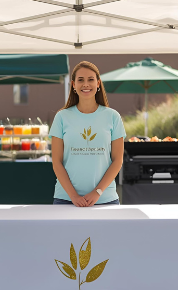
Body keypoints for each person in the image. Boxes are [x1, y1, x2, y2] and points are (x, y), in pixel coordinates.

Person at [49, 61, 125, 207]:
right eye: (80, 80)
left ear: (98, 83)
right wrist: (73, 196)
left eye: (91, 79)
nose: (86, 84)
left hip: (105, 200)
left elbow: (117, 161)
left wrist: (97, 192)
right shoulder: (62, 117)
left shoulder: (113, 117)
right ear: (73, 84)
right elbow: (56, 162)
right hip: (66, 200)